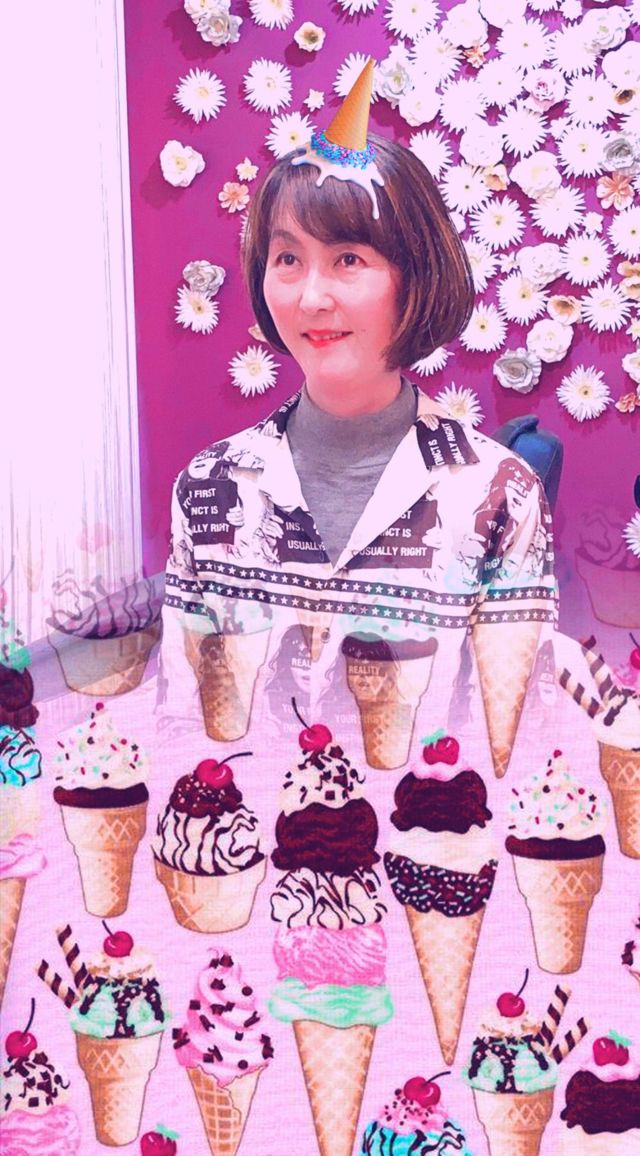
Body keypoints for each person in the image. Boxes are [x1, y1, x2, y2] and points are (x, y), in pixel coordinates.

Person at [159, 60, 557, 776]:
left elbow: (517, 739)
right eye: (287, 258)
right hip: (249, 833)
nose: (311, 297)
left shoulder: (501, 493)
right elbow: (182, 720)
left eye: (347, 259)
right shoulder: (209, 486)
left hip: (431, 833)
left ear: (415, 276)